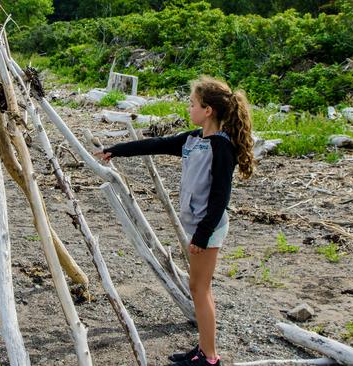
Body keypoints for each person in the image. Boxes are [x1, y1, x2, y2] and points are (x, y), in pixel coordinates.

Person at [95, 76, 254, 366]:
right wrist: (116, 149)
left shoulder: (221, 146)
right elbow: (155, 144)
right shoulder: (193, 139)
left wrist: (203, 235)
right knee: (197, 287)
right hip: (196, 226)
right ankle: (203, 348)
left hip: (209, 227)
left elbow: (220, 197)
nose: (189, 108)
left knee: (200, 289)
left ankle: (209, 357)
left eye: (192, 104)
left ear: (208, 110)